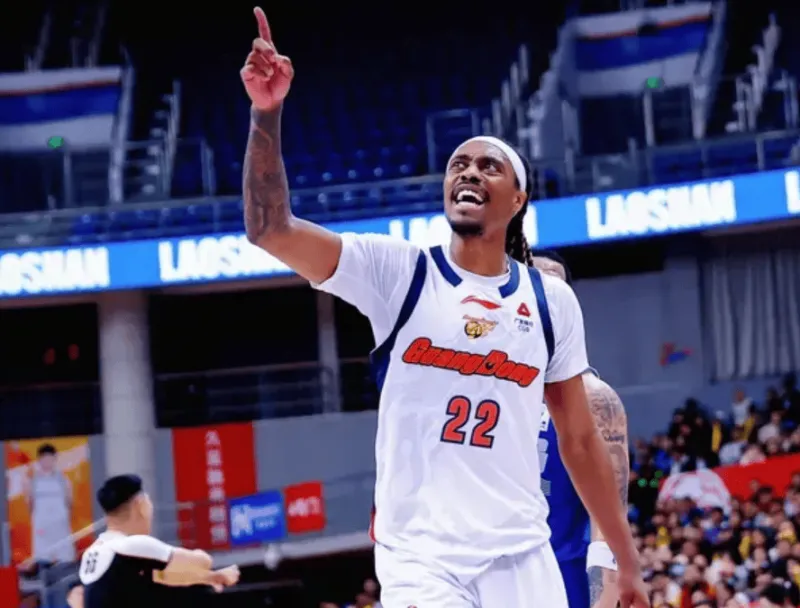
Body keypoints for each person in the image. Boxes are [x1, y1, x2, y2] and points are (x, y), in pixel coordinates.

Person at [239, 8, 648, 607]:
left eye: (489, 165)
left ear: (518, 197)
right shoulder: (399, 271)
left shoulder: (550, 300)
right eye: (459, 164)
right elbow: (270, 229)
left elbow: (581, 442)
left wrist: (626, 561)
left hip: (520, 553)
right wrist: (266, 113)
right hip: (421, 557)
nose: (469, 172)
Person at [532, 251, 629, 608]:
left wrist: (604, 591)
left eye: (554, 279)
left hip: (562, 572)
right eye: (536, 277)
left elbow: (609, 514)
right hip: (491, 568)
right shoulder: (485, 386)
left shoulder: (594, 398)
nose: (546, 285)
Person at [78, 474, 239, 608]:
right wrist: (202, 559)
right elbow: (202, 562)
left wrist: (210, 577)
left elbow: (163, 575)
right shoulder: (133, 545)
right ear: (140, 505)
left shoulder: (95, 551)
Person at [23, 443, 74, 563]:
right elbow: (29, 502)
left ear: (55, 458)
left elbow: (69, 501)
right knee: (43, 558)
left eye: (50, 458)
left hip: (60, 525)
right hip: (42, 526)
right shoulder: (32, 481)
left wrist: (65, 518)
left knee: (64, 556)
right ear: (39, 460)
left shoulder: (63, 480)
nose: (47, 461)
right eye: (44, 458)